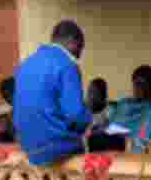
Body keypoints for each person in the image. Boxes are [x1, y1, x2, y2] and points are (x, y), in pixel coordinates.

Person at [13, 20, 92, 166]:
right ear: (71, 41)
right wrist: (89, 119)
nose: (79, 55)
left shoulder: (25, 64)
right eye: (80, 48)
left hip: (27, 147)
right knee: (108, 140)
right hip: (56, 147)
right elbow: (75, 115)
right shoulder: (67, 65)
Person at [110, 65, 151, 153]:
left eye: (143, 84)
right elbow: (112, 129)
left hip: (142, 152)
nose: (138, 88)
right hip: (117, 150)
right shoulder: (124, 104)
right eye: (136, 84)